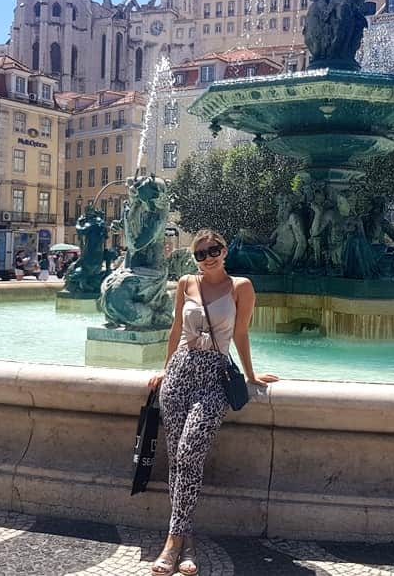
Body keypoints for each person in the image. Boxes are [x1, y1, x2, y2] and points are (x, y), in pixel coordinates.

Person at [147, 229, 279, 576]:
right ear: (195, 258)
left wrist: (251, 376)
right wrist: (164, 371)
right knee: (177, 459)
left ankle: (173, 540)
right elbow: (176, 329)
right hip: (180, 373)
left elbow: (241, 333)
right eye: (202, 253)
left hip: (214, 376)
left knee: (190, 450)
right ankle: (185, 541)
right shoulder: (186, 283)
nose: (209, 257)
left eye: (214, 250)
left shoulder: (241, 287)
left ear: (224, 251)